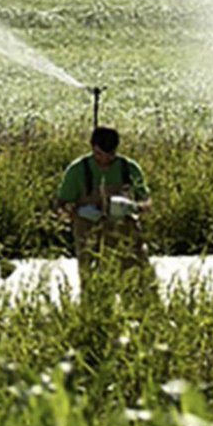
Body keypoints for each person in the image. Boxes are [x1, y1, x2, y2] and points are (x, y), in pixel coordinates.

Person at [55, 126, 152, 298]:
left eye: (110, 155)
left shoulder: (128, 168)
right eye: (100, 155)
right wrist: (79, 211)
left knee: (135, 284)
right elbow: (61, 205)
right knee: (93, 287)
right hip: (89, 237)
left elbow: (147, 202)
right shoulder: (77, 170)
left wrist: (132, 207)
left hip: (125, 236)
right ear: (92, 147)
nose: (105, 160)